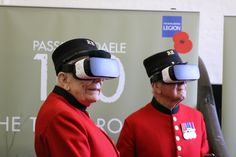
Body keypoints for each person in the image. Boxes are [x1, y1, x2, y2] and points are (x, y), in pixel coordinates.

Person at [117, 49, 214, 157]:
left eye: (184, 77)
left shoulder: (196, 117)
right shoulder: (134, 123)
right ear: (157, 86)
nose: (183, 83)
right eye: (175, 77)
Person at [35, 38, 120, 157]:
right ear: (63, 79)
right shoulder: (62, 116)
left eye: (99, 71)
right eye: (87, 71)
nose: (98, 80)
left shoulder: (73, 110)